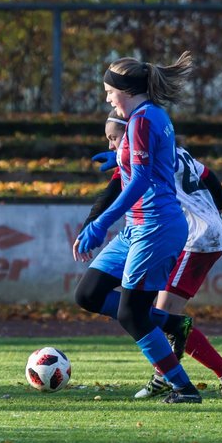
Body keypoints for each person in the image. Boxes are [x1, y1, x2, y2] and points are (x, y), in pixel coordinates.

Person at [72, 53, 203, 404]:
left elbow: (143, 179)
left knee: (132, 313)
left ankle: (184, 388)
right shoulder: (148, 118)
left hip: (156, 227)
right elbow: (155, 163)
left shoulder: (143, 120)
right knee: (89, 294)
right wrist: (119, 157)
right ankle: (171, 324)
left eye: (109, 92)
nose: (107, 99)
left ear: (125, 91)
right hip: (138, 227)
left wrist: (101, 223)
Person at [86, 116, 222, 399]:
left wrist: (92, 224)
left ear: (131, 136)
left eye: (114, 138)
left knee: (164, 316)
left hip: (196, 237)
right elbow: (207, 175)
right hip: (198, 232)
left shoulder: (142, 157)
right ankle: (165, 375)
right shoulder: (170, 149)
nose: (111, 145)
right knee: (156, 315)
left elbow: (113, 191)